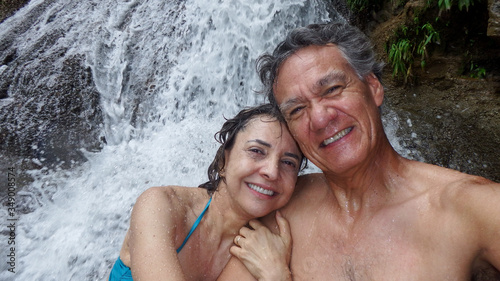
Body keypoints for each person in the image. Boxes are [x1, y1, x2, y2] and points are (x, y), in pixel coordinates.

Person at [218, 22, 500, 280]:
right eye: (298, 109)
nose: (319, 118)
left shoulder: (473, 208)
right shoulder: (279, 214)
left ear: (374, 87)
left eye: (332, 89)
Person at [108, 103, 305, 281]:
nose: (271, 171)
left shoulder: (268, 246)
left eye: (288, 163)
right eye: (256, 151)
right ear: (223, 161)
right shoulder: (160, 206)